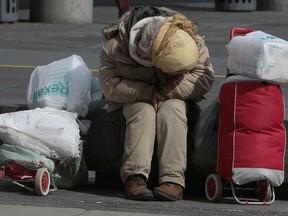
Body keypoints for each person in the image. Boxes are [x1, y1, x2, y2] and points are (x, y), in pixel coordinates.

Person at [98, 6, 214, 201]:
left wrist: (166, 92)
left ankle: (173, 180)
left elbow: (202, 77)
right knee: (142, 111)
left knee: (173, 109)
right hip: (126, 108)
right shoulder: (115, 46)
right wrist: (148, 92)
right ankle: (135, 177)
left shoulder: (190, 40)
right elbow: (109, 84)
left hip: (173, 99)